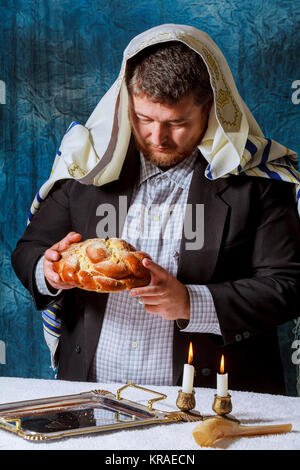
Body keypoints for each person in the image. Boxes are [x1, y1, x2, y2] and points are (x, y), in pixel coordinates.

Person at [11, 24, 300, 395]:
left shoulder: (256, 181)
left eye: (177, 123)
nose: (158, 137)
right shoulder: (86, 165)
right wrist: (49, 271)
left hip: (208, 406)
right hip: (91, 396)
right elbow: (28, 253)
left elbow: (288, 285)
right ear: (126, 102)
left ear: (209, 109)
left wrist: (190, 302)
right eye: (144, 118)